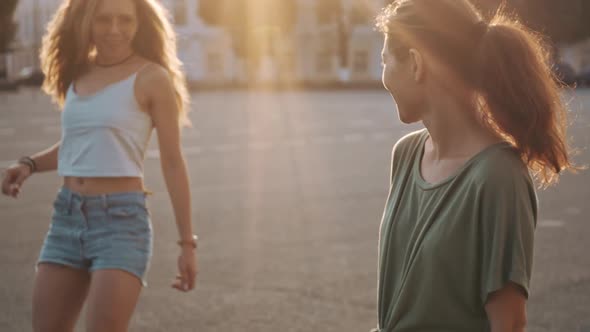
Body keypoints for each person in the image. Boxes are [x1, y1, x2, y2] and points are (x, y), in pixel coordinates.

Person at [373, 0, 576, 331]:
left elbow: (508, 324)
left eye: (384, 61)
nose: (384, 78)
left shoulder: (498, 177)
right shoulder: (406, 155)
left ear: (415, 63)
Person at [1, 0, 198, 331]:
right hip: (67, 217)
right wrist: (30, 164)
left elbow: (173, 162)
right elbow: (79, 143)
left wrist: (187, 244)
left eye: (125, 20)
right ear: (86, 22)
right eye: (104, 20)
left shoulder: (153, 78)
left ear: (140, 24)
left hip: (121, 222)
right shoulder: (78, 72)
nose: (115, 29)